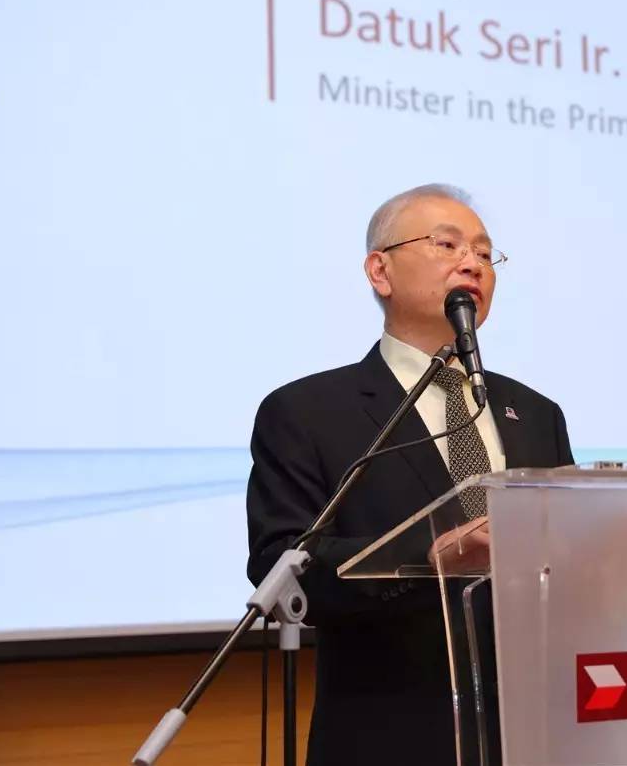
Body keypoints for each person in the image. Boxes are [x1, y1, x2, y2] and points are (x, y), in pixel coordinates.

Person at [246, 184, 574, 765]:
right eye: (447, 244)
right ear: (380, 271)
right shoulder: (308, 411)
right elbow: (282, 565)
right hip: (391, 735)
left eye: (484, 252)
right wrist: (430, 556)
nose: (472, 263)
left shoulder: (535, 413)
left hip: (534, 734)